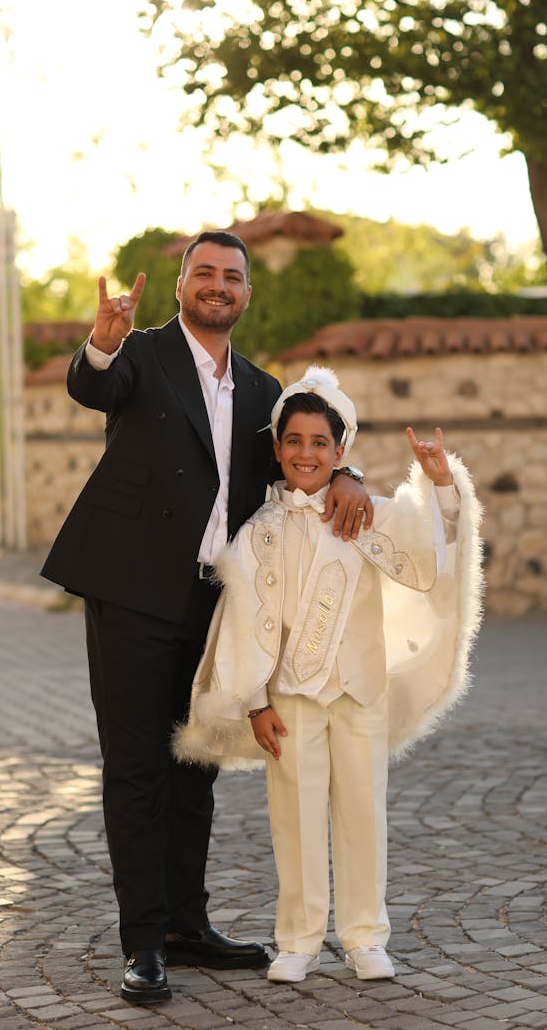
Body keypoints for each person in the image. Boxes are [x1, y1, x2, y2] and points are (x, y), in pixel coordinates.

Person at [41, 234, 372, 1004]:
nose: (218, 285)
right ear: (181, 286)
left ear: (246, 293)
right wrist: (100, 343)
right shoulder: (139, 354)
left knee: (196, 765)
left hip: (216, 602)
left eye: (232, 276)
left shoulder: (263, 389)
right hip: (131, 591)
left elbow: (302, 455)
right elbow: (93, 385)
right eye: (204, 274)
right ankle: (144, 942)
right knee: (136, 768)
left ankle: (188, 926)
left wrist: (349, 471)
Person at [174, 365, 484, 984]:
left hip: (360, 691)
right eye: (294, 441)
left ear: (341, 452)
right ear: (276, 448)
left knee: (363, 813)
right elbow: (244, 621)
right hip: (289, 699)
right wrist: (255, 701)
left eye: (320, 443)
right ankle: (299, 939)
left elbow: (434, 555)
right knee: (294, 817)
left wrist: (441, 483)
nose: (306, 453)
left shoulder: (367, 514)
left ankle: (366, 936)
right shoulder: (258, 533)